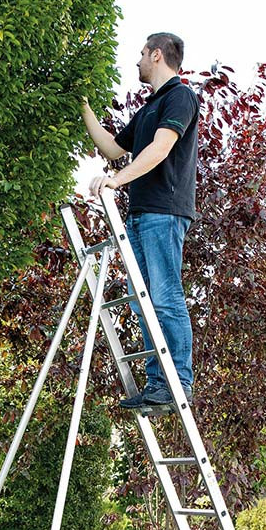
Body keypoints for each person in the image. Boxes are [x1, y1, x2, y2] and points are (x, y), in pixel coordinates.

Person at [82, 32, 199, 413]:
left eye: (141, 54)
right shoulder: (149, 108)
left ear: (157, 54)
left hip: (164, 211)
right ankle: (157, 384)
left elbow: (161, 148)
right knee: (142, 303)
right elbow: (113, 148)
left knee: (165, 298)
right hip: (140, 213)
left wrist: (116, 180)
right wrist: (83, 106)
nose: (137, 61)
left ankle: (178, 382)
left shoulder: (180, 97)